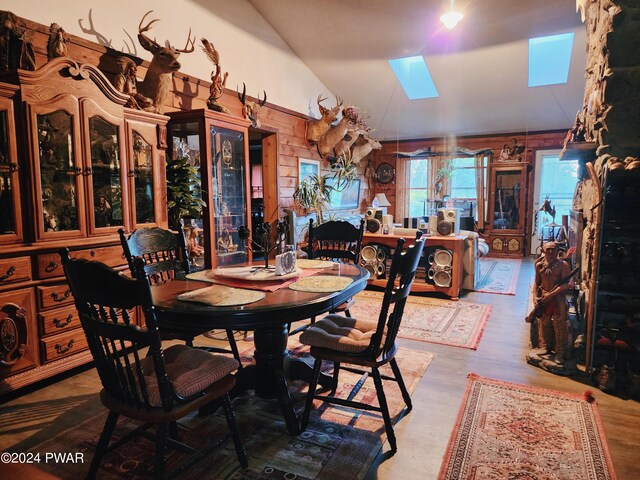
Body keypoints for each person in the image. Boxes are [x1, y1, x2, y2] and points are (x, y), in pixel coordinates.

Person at [533, 242, 573, 364]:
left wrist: (552, 294)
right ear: (543, 250)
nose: (550, 252)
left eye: (553, 250)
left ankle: (560, 352)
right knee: (544, 322)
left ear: (557, 251)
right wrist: (535, 296)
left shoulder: (563, 265)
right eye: (548, 249)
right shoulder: (539, 265)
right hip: (544, 297)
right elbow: (536, 282)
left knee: (559, 325)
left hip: (557, 299)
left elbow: (566, 285)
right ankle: (545, 347)